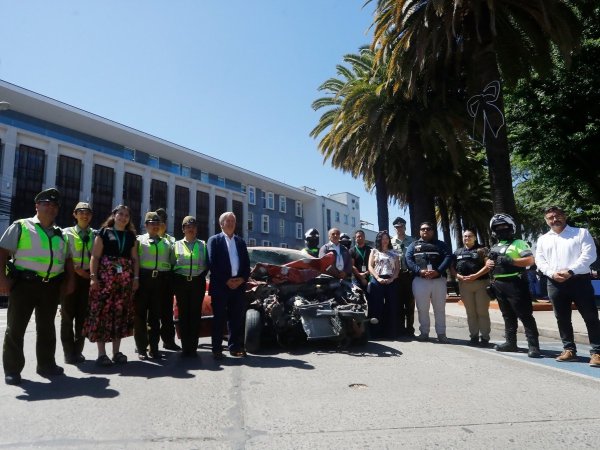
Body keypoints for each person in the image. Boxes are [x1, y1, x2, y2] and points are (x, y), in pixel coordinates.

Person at [0, 188, 74, 385]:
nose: (50, 208)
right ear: (37, 206)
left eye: (54, 205)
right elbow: (2, 252)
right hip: (24, 285)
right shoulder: (21, 226)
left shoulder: (62, 234)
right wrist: (2, 279)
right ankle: (12, 370)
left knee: (47, 327)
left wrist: (70, 281)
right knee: (16, 328)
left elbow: (68, 260)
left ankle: (46, 365)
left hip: (51, 287)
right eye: (46, 204)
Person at [535, 206, 600, 367]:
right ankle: (569, 350)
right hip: (554, 283)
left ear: (564, 216)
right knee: (562, 318)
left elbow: (589, 255)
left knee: (590, 317)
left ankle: (597, 352)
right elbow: (540, 260)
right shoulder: (543, 239)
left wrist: (570, 271)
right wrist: (552, 273)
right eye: (550, 217)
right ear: (546, 220)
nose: (554, 219)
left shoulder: (581, 233)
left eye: (557, 216)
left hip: (579, 281)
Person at [83, 205, 139, 366]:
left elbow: (135, 259)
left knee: (120, 313)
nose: (123, 217)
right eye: (120, 214)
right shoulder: (103, 233)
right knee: (103, 313)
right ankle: (102, 354)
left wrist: (136, 278)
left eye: (126, 215)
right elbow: (95, 257)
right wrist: (93, 278)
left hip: (124, 281)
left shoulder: (131, 236)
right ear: (114, 215)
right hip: (105, 279)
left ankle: (116, 352)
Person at [485, 213, 541, 358]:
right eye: (498, 228)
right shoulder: (494, 247)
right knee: (507, 315)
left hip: (516, 283)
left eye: (505, 226)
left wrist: (511, 261)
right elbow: (490, 263)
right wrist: (488, 263)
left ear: (511, 228)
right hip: (498, 284)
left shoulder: (519, 243)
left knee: (525, 315)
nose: (501, 229)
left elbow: (530, 260)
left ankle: (533, 346)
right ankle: (511, 343)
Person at [207, 212, 250, 359]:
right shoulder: (214, 240)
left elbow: (246, 264)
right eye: (228, 221)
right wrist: (226, 280)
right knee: (218, 318)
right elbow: (212, 263)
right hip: (220, 286)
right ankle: (217, 349)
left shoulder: (240, 242)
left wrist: (242, 279)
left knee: (236, 319)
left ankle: (235, 347)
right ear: (221, 224)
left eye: (233, 221)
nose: (231, 223)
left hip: (238, 286)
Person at [135, 211, 174, 360]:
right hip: (143, 280)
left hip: (160, 282)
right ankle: (141, 348)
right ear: (146, 225)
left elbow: (171, 262)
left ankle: (154, 348)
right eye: (152, 223)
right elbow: (134, 260)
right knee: (140, 316)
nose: (155, 226)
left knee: (155, 316)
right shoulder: (139, 240)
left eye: (158, 223)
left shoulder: (167, 243)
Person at [405, 221, 452, 343]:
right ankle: (424, 333)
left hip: (438, 280)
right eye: (423, 229)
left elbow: (448, 257)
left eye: (428, 229)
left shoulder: (441, 245)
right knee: (422, 308)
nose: (425, 231)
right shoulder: (413, 245)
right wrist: (419, 271)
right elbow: (408, 259)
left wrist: (438, 271)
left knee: (439, 309)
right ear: (420, 231)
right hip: (420, 281)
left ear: (433, 231)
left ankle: (441, 334)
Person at [61, 201, 95, 364]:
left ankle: (78, 351)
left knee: (83, 317)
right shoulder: (66, 233)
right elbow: (61, 255)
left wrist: (90, 275)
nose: (84, 215)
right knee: (67, 317)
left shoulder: (95, 235)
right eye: (81, 212)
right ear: (74, 214)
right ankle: (68, 353)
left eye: (87, 213)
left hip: (87, 278)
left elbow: (98, 257)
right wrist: (74, 271)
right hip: (70, 277)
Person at [172, 216, 207, 357]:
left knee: (195, 314)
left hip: (197, 283)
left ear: (196, 229)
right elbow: (172, 264)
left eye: (193, 227)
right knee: (183, 314)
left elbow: (207, 264)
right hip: (181, 282)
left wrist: (200, 276)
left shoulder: (203, 245)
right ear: (183, 229)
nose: (190, 229)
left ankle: (193, 346)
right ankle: (185, 346)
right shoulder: (176, 245)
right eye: (187, 227)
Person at [451, 228, 491, 347]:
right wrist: (458, 276)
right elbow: (452, 268)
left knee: (482, 311)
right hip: (464, 285)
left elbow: (488, 266)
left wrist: (475, 276)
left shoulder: (482, 250)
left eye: (469, 236)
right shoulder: (457, 252)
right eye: (465, 236)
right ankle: (474, 336)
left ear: (475, 238)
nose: (467, 238)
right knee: (470, 312)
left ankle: (485, 337)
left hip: (481, 283)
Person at [155, 207, 180, 351]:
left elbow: (173, 259)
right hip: (151, 280)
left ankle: (168, 341)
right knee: (151, 313)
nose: (160, 223)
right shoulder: (145, 238)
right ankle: (147, 343)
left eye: (163, 220)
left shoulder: (171, 240)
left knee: (166, 313)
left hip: (166, 280)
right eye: (157, 220)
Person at [367, 230, 400, 339]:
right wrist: (377, 278)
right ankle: (375, 332)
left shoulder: (394, 252)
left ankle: (390, 332)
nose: (385, 240)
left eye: (386, 238)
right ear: (379, 240)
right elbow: (370, 266)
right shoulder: (374, 251)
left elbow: (397, 268)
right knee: (376, 306)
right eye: (382, 238)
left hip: (391, 280)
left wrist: (392, 278)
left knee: (391, 306)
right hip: (377, 280)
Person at [391, 216, 415, 338]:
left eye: (401, 227)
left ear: (405, 227)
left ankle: (410, 329)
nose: (399, 229)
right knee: (398, 303)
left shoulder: (412, 241)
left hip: (409, 275)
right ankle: (400, 329)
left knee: (410, 303)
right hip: (397, 276)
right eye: (397, 227)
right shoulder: (391, 242)